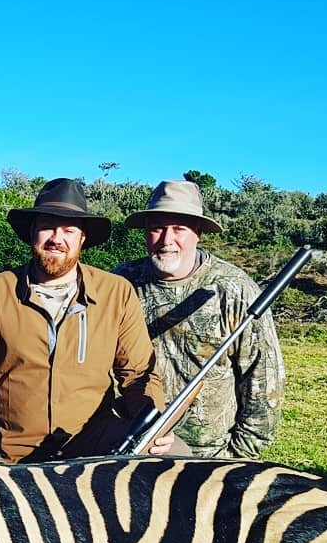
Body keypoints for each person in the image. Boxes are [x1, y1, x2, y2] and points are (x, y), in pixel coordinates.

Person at [0, 178, 167, 464]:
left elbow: (138, 374)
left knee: (181, 461)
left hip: (96, 454)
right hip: (19, 461)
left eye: (69, 229)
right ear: (32, 233)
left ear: (82, 239)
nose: (57, 238)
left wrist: (153, 423)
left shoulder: (116, 293)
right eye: (47, 226)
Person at [113, 180, 285, 459]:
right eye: (157, 227)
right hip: (135, 445)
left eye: (179, 228)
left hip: (211, 455)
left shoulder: (235, 288)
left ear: (198, 233)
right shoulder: (121, 283)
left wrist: (237, 457)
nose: (167, 240)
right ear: (145, 233)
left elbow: (263, 380)